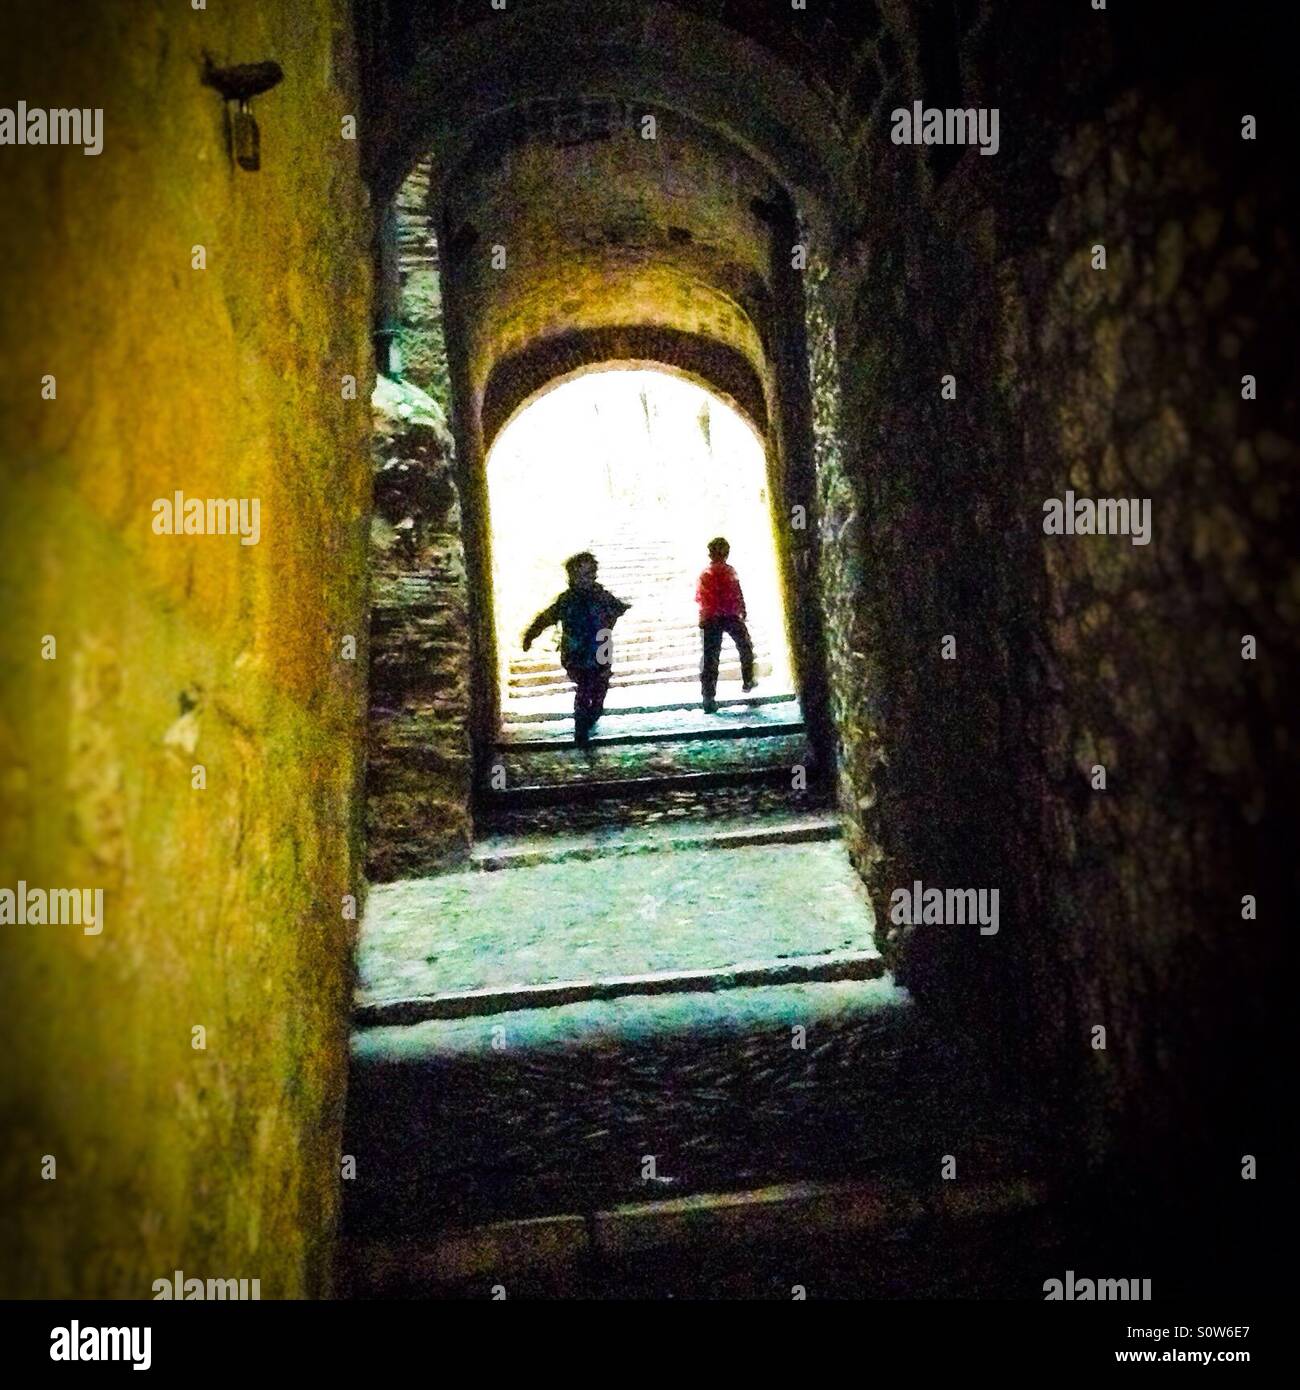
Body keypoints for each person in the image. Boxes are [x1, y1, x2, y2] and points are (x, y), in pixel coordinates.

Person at [522, 552, 630, 745]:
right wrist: (531, 634)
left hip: (601, 648)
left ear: (595, 575)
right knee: (585, 686)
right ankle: (581, 726)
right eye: (580, 575)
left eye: (589, 574)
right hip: (576, 651)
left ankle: (595, 711)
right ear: (571, 577)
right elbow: (547, 617)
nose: (585, 580)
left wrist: (615, 615)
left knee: (600, 684)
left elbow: (617, 608)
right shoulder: (566, 600)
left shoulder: (602, 596)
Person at [696, 536, 756, 713]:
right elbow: (737, 592)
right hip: (729, 616)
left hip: (711, 619)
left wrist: (704, 618)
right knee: (745, 647)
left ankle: (708, 697)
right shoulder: (729, 571)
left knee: (710, 658)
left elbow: (701, 599)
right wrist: (742, 609)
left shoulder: (705, 575)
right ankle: (748, 679)